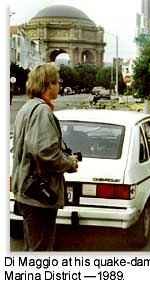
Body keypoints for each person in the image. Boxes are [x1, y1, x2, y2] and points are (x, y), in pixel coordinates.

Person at [12, 63, 78, 251]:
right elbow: (45, 153)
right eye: (57, 82)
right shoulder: (42, 111)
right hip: (38, 196)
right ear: (48, 85)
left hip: (26, 191)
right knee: (41, 251)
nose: (60, 86)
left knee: (32, 248)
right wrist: (69, 162)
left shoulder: (27, 109)